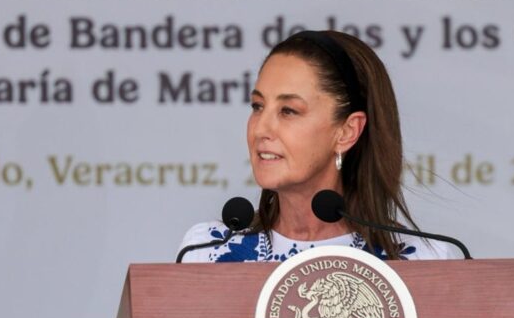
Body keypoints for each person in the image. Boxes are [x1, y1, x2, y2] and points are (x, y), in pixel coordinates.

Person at [180, 30, 456, 263]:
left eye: (288, 110)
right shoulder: (207, 250)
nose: (261, 129)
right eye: (258, 106)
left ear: (347, 132)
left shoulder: (419, 259)